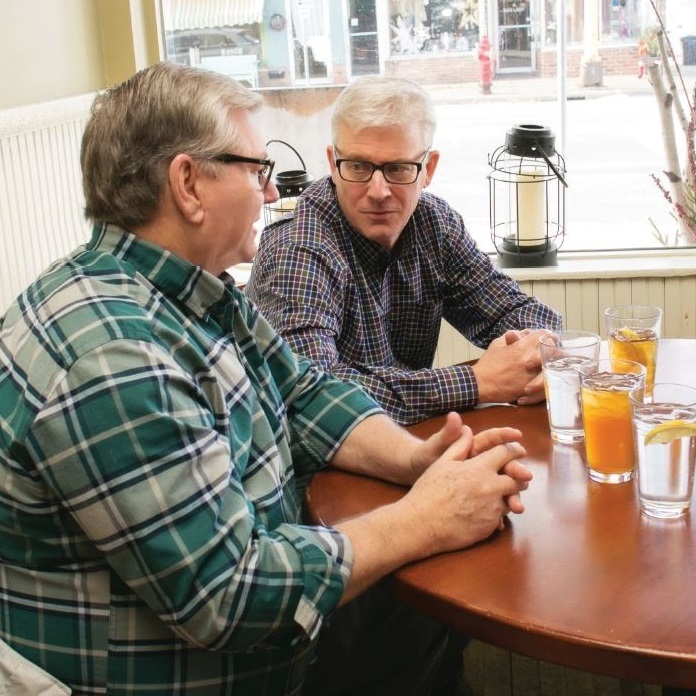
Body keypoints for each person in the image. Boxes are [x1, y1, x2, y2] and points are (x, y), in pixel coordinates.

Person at [0, 62, 533, 696]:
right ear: (189, 184)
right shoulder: (113, 359)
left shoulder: (192, 293)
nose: (272, 193)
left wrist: (417, 459)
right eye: (257, 171)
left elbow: (304, 392)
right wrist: (425, 519)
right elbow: (227, 595)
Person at [245, 75, 563, 426]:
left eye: (398, 168)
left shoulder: (434, 224)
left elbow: (516, 310)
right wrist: (476, 382)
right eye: (358, 167)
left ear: (428, 169)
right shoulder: (299, 248)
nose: (378, 191)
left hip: (408, 441)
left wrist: (537, 354)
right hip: (317, 469)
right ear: (333, 163)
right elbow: (313, 398)